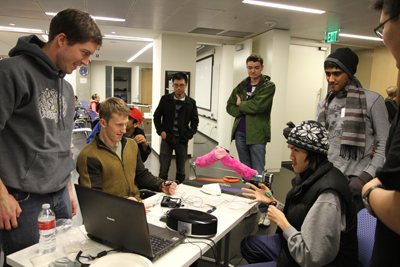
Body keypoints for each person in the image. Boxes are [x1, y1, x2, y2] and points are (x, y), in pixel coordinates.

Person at [0, 8, 102, 262]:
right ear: (62, 40)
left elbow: (62, 142)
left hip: (60, 198)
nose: (86, 62)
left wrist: (66, 184)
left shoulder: (66, 89)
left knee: (61, 261)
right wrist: (1, 194)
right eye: (85, 52)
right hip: (22, 201)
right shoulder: (11, 73)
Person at [240, 120, 357, 267]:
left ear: (314, 153)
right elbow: (302, 214)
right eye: (291, 150)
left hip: (309, 260)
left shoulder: (328, 195)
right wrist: (273, 203)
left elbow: (312, 257)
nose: (291, 157)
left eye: (296, 150)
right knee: (249, 245)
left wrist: (283, 224)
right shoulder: (314, 175)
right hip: (298, 247)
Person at [316, 47, 389, 212]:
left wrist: (365, 177)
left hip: (356, 182)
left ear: (348, 73)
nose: (331, 79)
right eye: (328, 74)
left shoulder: (372, 101)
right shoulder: (324, 105)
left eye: (337, 73)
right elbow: (320, 141)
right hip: (327, 178)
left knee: (351, 235)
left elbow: (385, 143)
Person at [360, 1, 400, 265]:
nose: (383, 36)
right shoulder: (326, 102)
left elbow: (384, 143)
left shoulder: (372, 101)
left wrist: (369, 190)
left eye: (382, 26)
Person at [77, 97, 176, 201]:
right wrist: (124, 203)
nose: (124, 130)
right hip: (111, 213)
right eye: (119, 125)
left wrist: (161, 184)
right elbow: (93, 199)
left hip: (135, 205)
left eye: (125, 124)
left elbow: (141, 174)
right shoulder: (89, 156)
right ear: (103, 123)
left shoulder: (131, 145)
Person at [226, 53, 275, 176]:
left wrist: (241, 105)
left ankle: (260, 193)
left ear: (262, 68)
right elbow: (230, 106)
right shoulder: (241, 86)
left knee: (258, 168)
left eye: (256, 67)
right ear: (247, 67)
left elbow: (258, 106)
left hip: (257, 133)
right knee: (245, 168)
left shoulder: (268, 86)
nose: (253, 71)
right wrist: (243, 109)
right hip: (240, 132)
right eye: (250, 67)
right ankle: (247, 193)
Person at [153, 72, 199, 183]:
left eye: (181, 85)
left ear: (186, 85)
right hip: (167, 139)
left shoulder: (191, 103)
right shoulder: (165, 99)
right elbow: (157, 116)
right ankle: (161, 189)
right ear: (172, 85)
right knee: (163, 169)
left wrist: (188, 136)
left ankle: (180, 190)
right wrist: (160, 131)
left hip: (182, 140)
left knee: (181, 170)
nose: (179, 88)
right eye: (176, 85)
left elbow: (195, 122)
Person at [86, 106, 152, 162]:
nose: (124, 119)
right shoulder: (109, 127)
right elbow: (90, 142)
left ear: (136, 124)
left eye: (128, 118)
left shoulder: (139, 134)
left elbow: (141, 160)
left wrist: (144, 145)